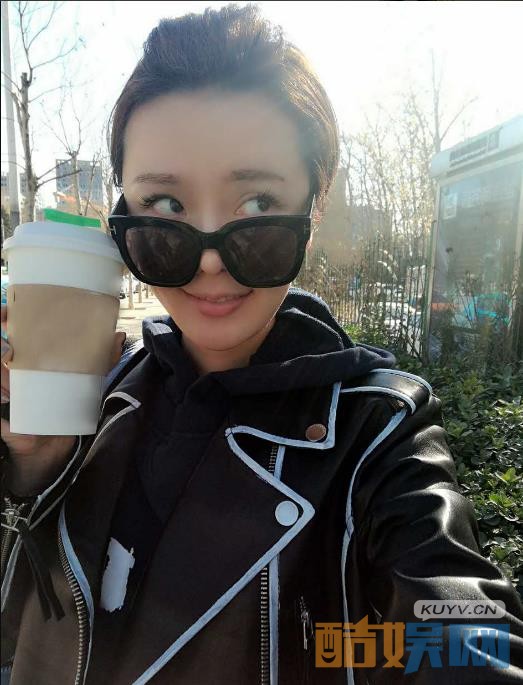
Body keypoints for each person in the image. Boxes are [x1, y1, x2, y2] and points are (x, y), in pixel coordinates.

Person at [1, 5, 522, 684]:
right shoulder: (106, 394)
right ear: (123, 214)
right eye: (165, 207)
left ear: (316, 202)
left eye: (256, 206)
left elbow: (463, 633)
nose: (210, 259)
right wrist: (33, 469)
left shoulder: (376, 435)